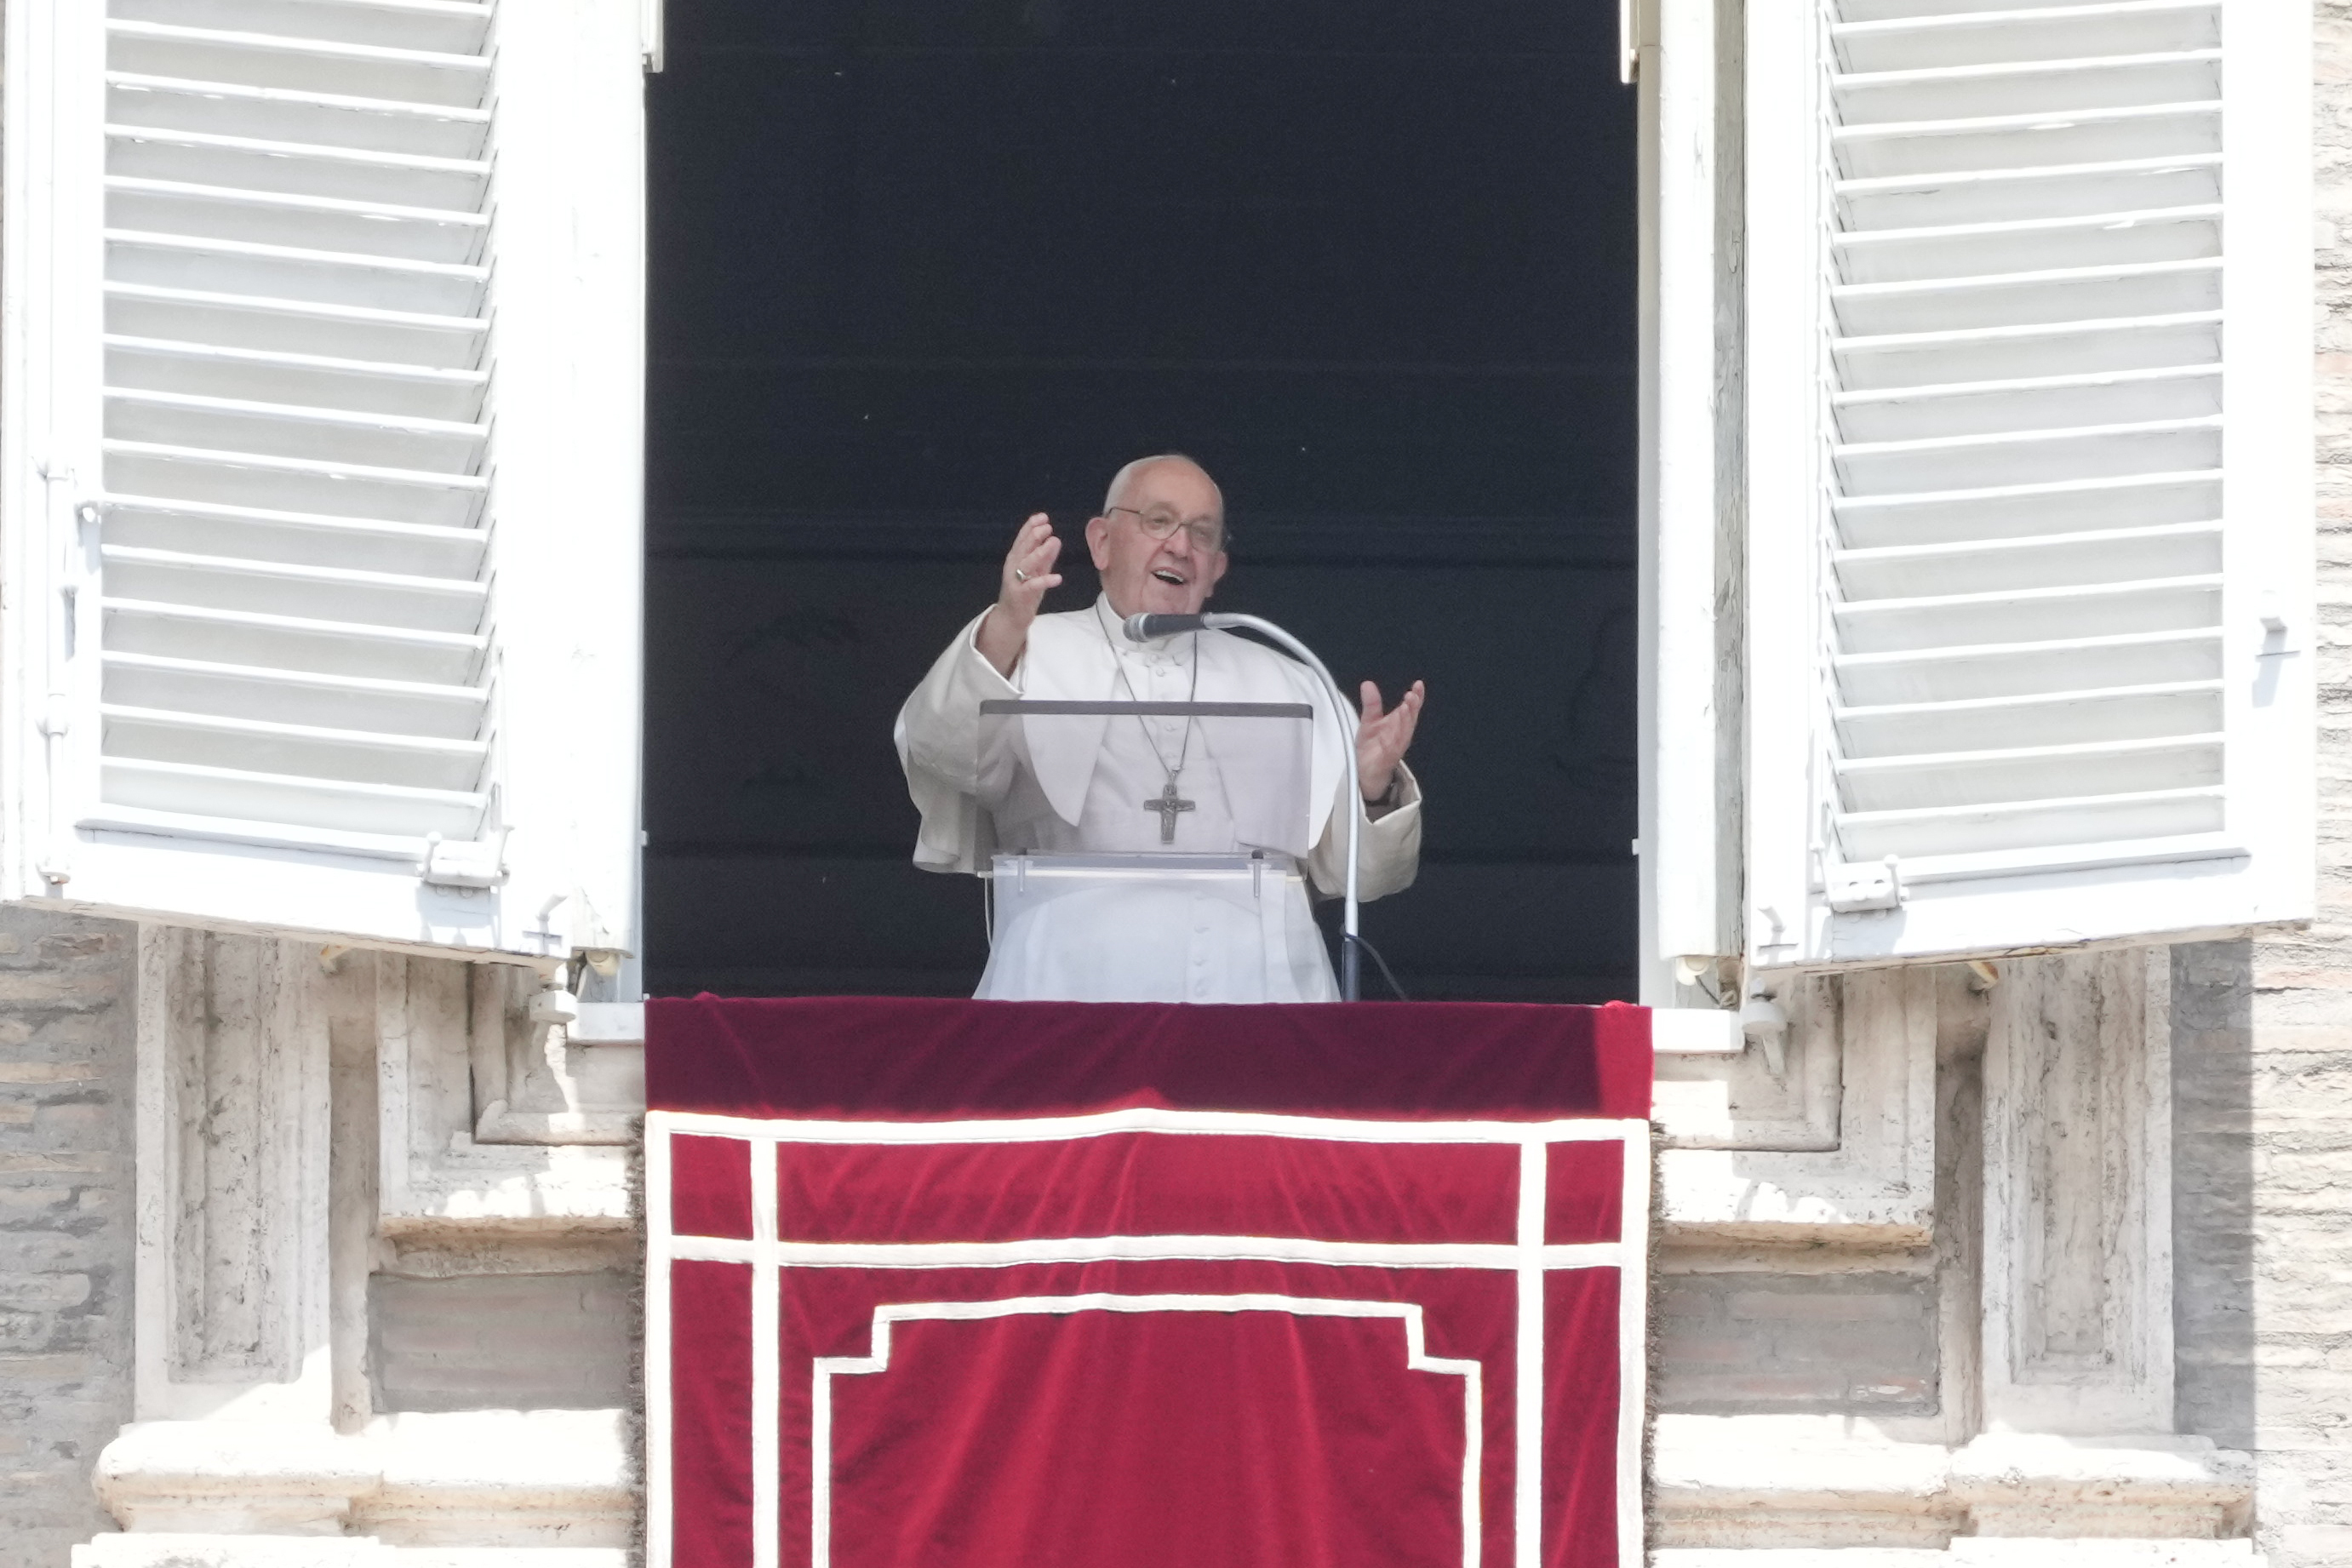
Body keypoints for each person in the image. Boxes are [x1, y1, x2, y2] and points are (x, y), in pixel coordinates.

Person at [895, 454, 1426, 1002]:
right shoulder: (1020, 650)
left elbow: (1366, 876)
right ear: (1101, 542)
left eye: (1202, 533)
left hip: (1258, 990)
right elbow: (944, 753)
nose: (1180, 545)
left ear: (1217, 569)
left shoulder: (1288, 676)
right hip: (1067, 981)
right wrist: (1005, 622)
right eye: (1157, 521)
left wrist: (1371, 791)